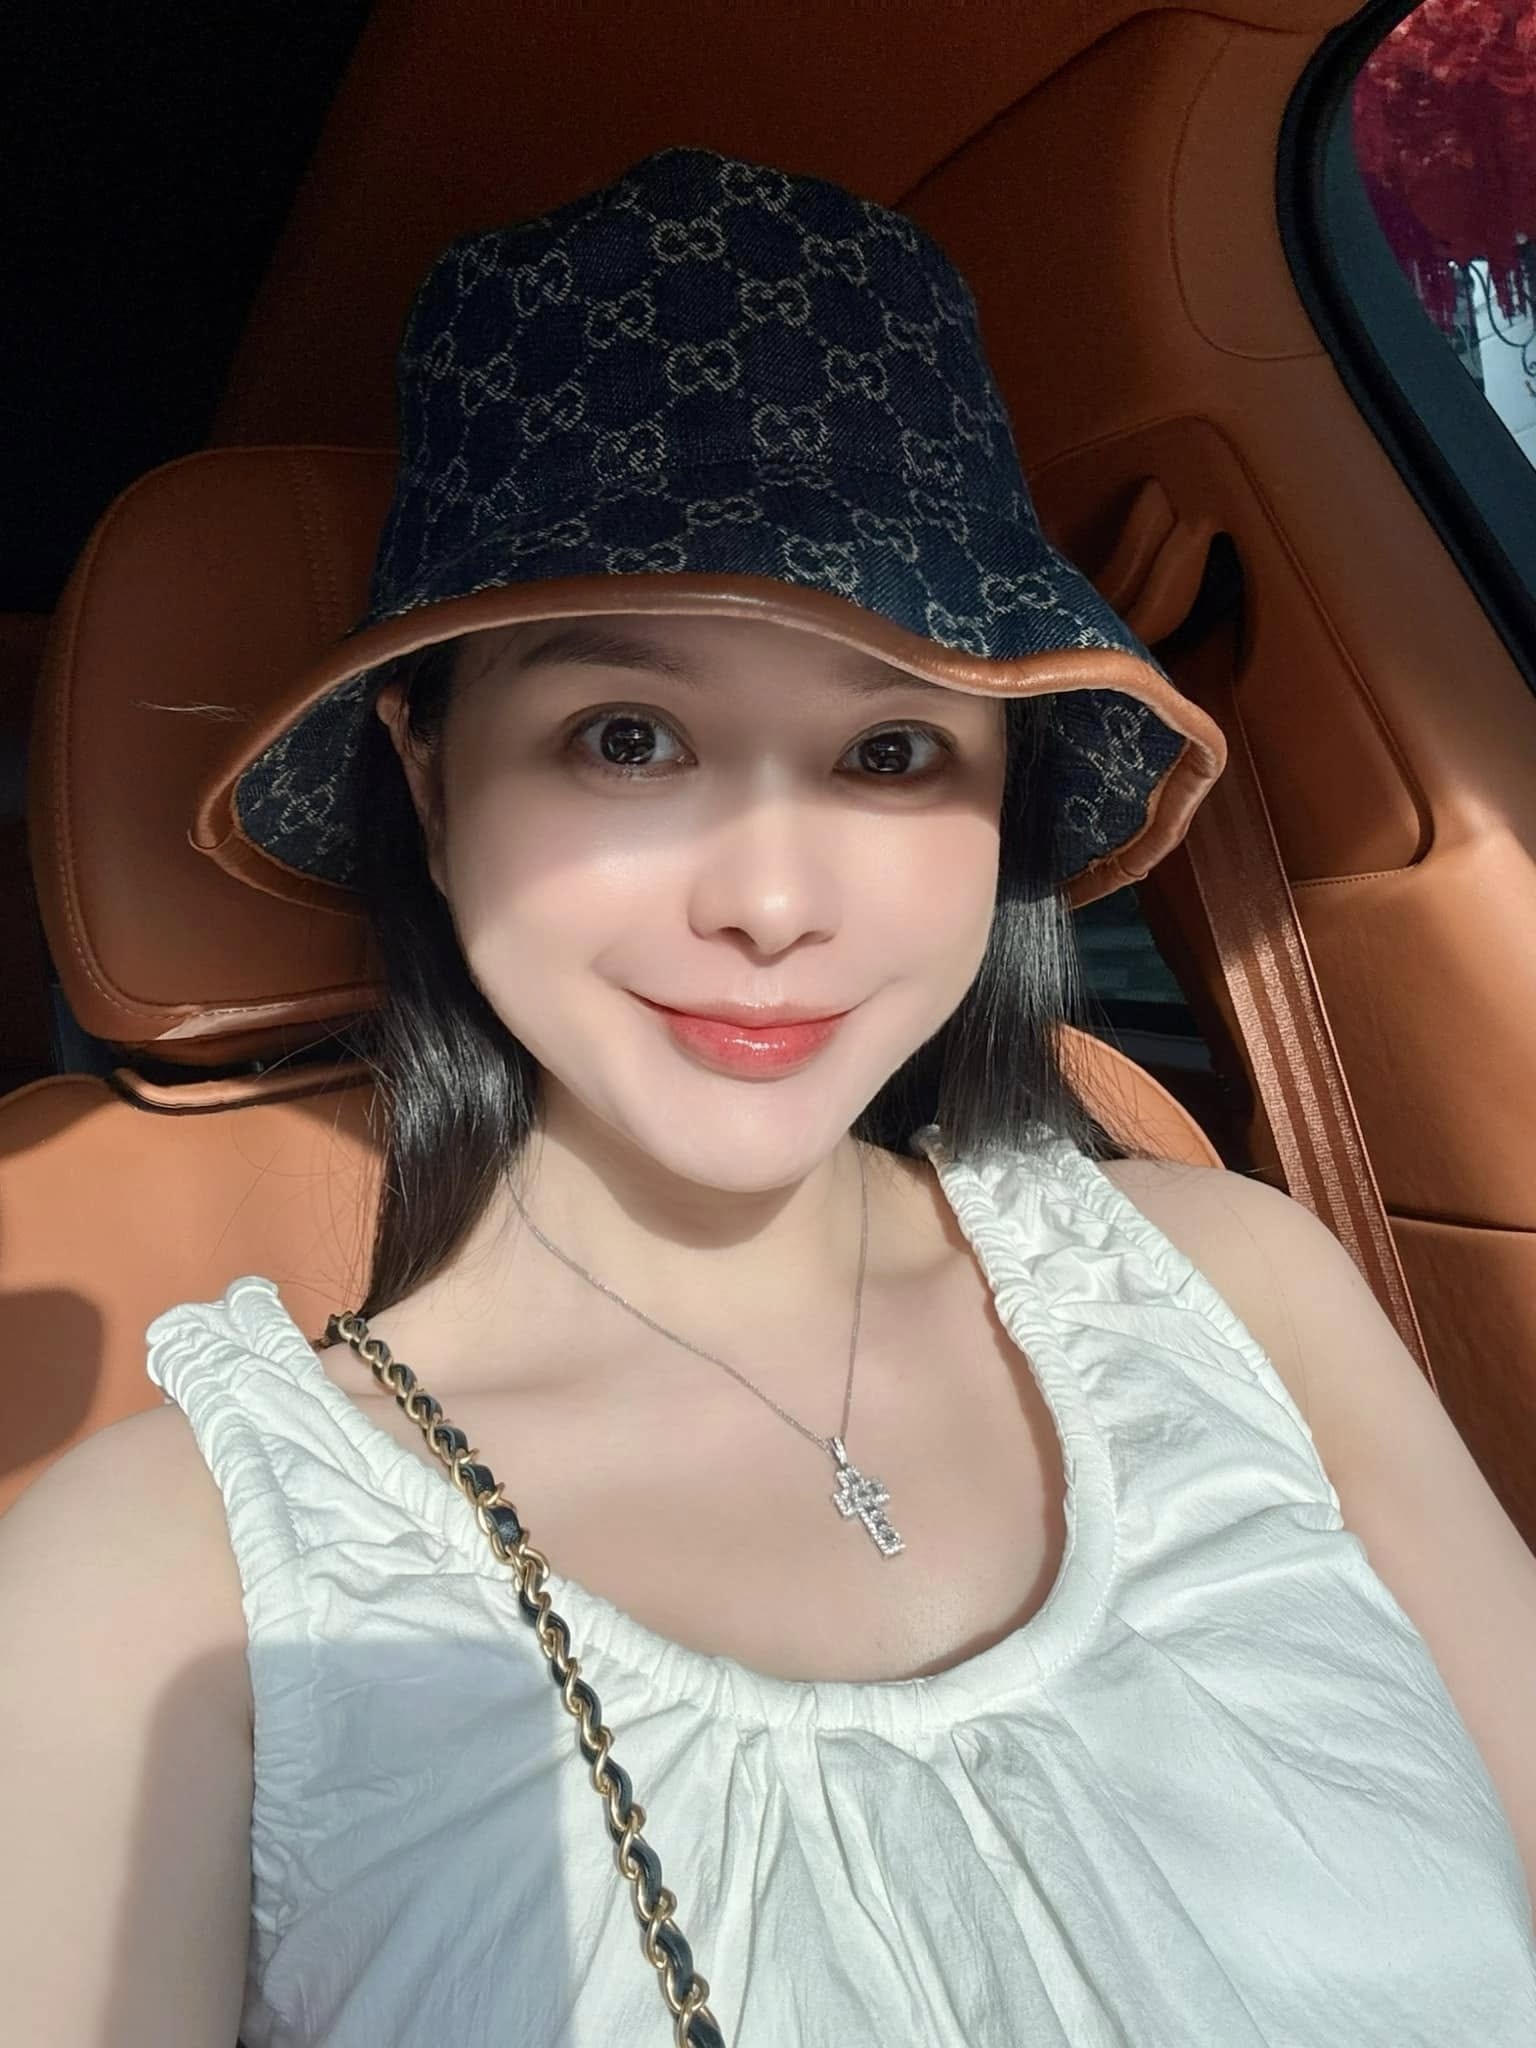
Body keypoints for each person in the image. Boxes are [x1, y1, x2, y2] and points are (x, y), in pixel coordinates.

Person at [2, 145, 1534, 2048]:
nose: (775, 903)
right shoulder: (162, 1590)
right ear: (429, 773)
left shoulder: (1241, 1280)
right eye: (626, 736)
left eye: (891, 750)